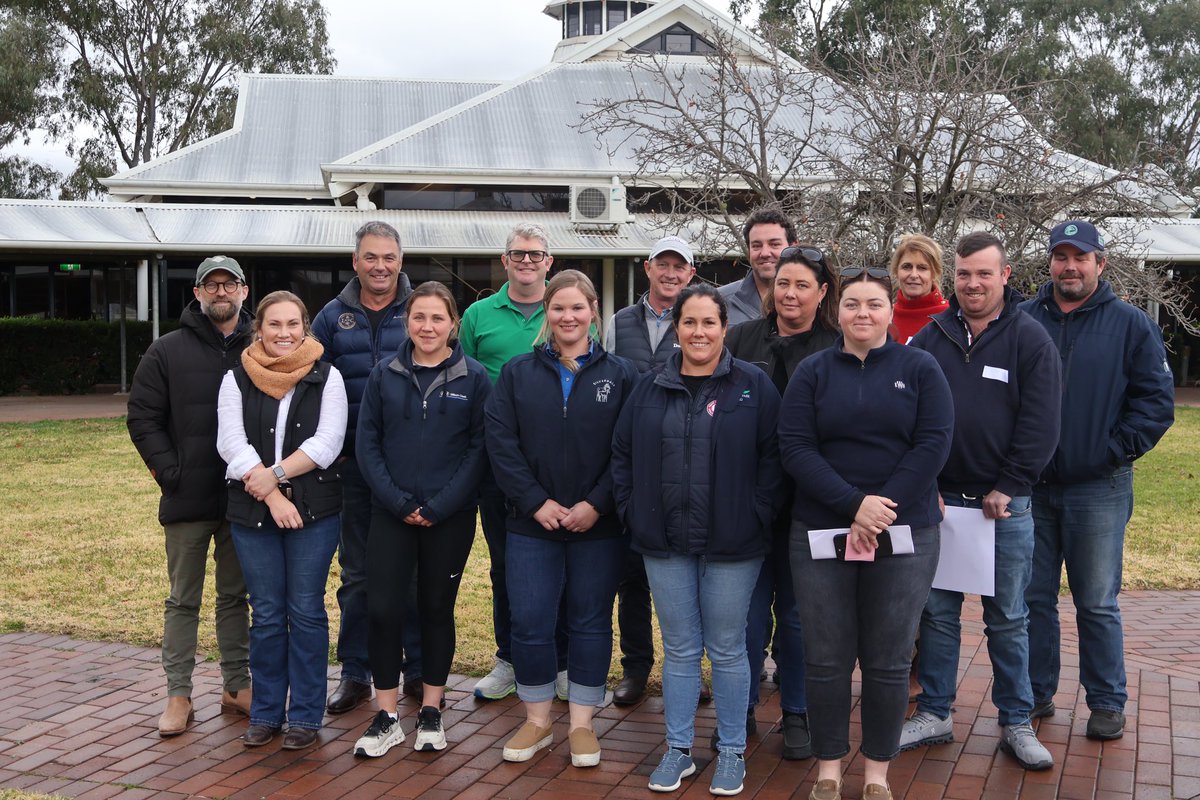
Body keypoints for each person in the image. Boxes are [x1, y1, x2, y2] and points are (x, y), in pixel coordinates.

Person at [779, 266, 953, 800]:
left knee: (889, 657)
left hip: (905, 533)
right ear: (839, 309)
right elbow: (795, 447)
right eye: (852, 304)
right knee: (826, 656)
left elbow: (933, 444)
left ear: (889, 310)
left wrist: (880, 512)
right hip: (821, 531)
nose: (862, 314)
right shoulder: (813, 372)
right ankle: (828, 769)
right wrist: (855, 505)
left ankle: (877, 771)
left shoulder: (921, 368)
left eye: (874, 304)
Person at [612, 284, 783, 797]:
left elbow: (776, 460)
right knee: (683, 650)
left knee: (729, 650)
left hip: (734, 543)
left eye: (709, 322)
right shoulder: (649, 387)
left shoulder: (752, 386)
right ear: (677, 328)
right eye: (690, 323)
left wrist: (756, 515)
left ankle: (731, 751)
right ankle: (679, 749)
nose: (699, 332)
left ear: (724, 328)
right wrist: (632, 511)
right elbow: (622, 454)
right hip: (663, 541)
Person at [903, 232, 1061, 770]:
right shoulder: (929, 339)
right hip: (942, 506)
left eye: (984, 274)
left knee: (1009, 618)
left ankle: (1016, 721)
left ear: (1006, 275)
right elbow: (909, 423)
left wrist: (1010, 484)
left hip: (1004, 508)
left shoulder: (1030, 339)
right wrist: (924, 488)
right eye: (965, 273)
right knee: (938, 615)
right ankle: (936, 712)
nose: (973, 283)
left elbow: (1042, 424)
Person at [1021, 220, 1175, 741]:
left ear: (1100, 263)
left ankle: (1107, 701)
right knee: (1032, 598)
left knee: (1097, 601)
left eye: (1080, 257)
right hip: (1032, 488)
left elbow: (1155, 404)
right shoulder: (1023, 319)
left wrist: (1111, 452)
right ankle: (1037, 692)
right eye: (1061, 257)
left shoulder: (1130, 324)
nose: (1070, 266)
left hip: (1099, 489)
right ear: (1049, 263)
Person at [486, 270, 638, 768]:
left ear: (594, 310)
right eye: (558, 308)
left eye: (577, 308)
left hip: (599, 525)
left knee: (590, 622)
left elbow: (628, 450)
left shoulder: (621, 375)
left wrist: (597, 503)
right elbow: (501, 445)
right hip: (533, 525)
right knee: (530, 622)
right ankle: (536, 721)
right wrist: (536, 502)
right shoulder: (516, 374)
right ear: (545, 314)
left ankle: (581, 726)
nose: (567, 317)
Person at [351, 282, 491, 757]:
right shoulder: (382, 376)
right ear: (406, 322)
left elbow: (479, 450)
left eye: (437, 318)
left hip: (447, 517)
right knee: (383, 609)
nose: (427, 327)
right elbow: (367, 445)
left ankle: (431, 709)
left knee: (435, 610)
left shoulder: (474, 378)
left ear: (454, 324)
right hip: (390, 514)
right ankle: (387, 714)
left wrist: (439, 505)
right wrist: (398, 502)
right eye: (418, 318)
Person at [127, 255, 254, 737]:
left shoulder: (260, 347)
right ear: (198, 294)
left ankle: (236, 686)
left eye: (230, 284)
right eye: (211, 285)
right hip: (187, 498)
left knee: (234, 598)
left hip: (244, 497)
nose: (221, 293)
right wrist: (171, 473)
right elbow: (142, 418)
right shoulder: (166, 351)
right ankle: (178, 694)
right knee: (183, 599)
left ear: (244, 291)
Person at [217, 291, 347, 749]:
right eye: (275, 325)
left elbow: (327, 443)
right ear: (260, 329)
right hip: (253, 513)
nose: (284, 334)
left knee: (306, 612)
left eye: (293, 324)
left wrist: (272, 477)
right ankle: (268, 713)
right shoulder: (236, 378)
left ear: (305, 328)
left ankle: (306, 719)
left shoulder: (326, 377)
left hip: (314, 512)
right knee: (268, 614)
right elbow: (231, 443)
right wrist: (272, 496)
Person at [725, 244, 840, 761]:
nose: (789, 294)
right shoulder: (739, 339)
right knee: (744, 617)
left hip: (809, 509)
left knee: (798, 618)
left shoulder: (835, 347)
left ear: (822, 292)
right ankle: (740, 708)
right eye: (782, 284)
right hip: (745, 504)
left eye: (802, 285)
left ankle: (796, 709)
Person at [312, 221, 418, 715]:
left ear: (401, 260)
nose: (380, 266)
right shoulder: (331, 318)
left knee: (414, 570)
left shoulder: (419, 312)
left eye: (389, 257)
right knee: (356, 574)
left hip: (409, 470)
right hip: (350, 468)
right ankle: (355, 672)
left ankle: (417, 668)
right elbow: (312, 386)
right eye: (371, 257)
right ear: (355, 261)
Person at [460, 222, 568, 701]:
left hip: (559, 463)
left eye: (536, 254)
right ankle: (508, 658)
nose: (527, 261)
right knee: (505, 565)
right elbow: (459, 381)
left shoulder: (567, 312)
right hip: (496, 462)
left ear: (550, 262)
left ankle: (562, 662)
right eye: (518, 254)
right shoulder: (479, 315)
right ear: (504, 261)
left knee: (563, 563)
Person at [603, 234, 696, 706]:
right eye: (664, 264)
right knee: (632, 577)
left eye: (680, 267)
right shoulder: (619, 322)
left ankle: (690, 671)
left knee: (688, 578)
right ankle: (636, 669)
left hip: (687, 462)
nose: (671, 273)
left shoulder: (699, 319)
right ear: (648, 268)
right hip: (636, 463)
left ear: (691, 275)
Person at [719, 208, 798, 326]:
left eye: (774, 244)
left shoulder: (815, 302)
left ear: (794, 247)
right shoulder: (718, 302)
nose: (765, 253)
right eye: (757, 246)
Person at [889, 234, 949, 344]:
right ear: (896, 271)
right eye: (907, 267)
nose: (914, 275)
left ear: (935, 273)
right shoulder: (884, 316)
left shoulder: (951, 317)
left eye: (922, 268)